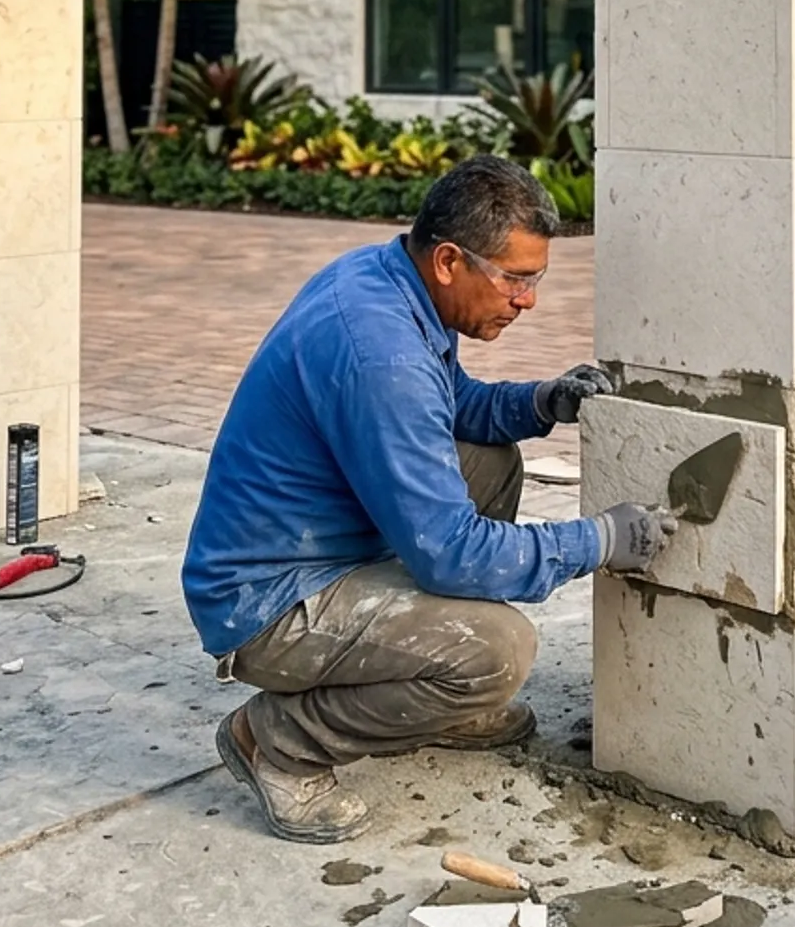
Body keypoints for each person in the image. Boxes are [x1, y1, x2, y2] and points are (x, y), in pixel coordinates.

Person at [183, 154, 676, 842]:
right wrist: (597, 542)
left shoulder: (387, 279)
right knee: (496, 652)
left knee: (488, 462)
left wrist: (539, 402)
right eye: (517, 280)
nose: (527, 301)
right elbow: (452, 554)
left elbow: (450, 406)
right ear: (449, 261)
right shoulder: (379, 351)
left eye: (535, 280)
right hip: (268, 605)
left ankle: (429, 698)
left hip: (325, 547)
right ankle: (276, 741)